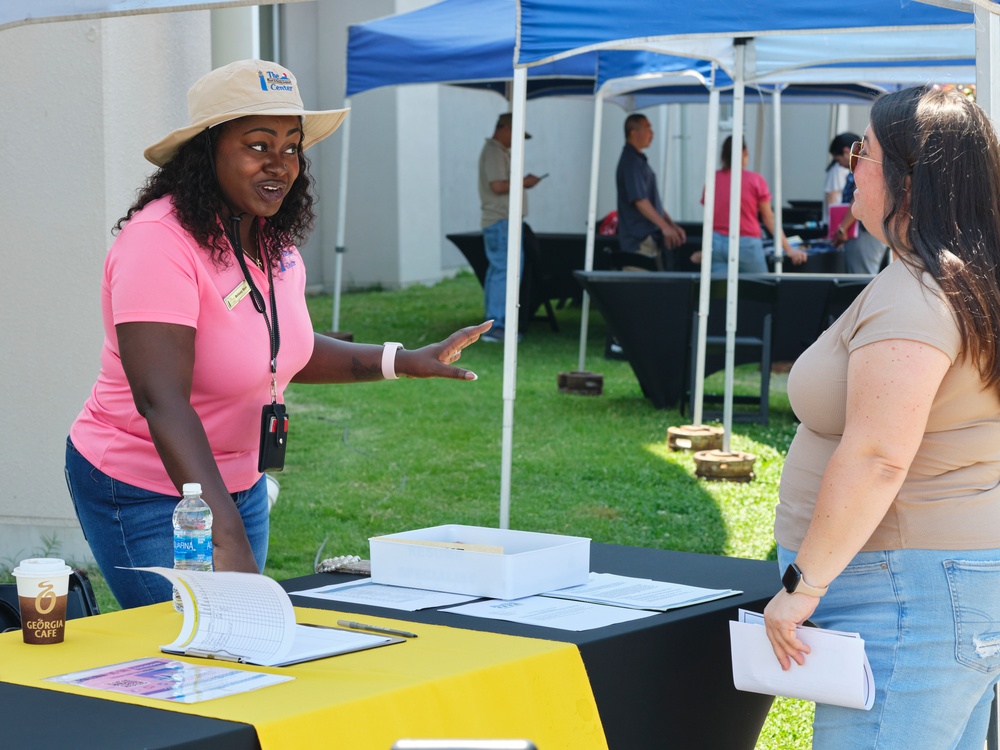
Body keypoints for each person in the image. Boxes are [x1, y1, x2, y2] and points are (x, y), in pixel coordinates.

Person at [64, 60, 490, 609]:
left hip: (236, 481)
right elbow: (161, 398)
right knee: (196, 643)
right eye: (258, 145)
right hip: (144, 487)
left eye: (291, 147)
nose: (280, 164)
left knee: (234, 650)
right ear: (208, 150)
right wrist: (226, 536)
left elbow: (279, 351)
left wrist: (402, 359)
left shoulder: (269, 238)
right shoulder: (157, 243)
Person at [764, 85, 1000, 748]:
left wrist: (800, 588)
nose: (850, 168)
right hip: (933, 585)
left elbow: (877, 457)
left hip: (904, 594)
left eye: (862, 153)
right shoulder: (960, 278)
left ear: (908, 178)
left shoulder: (917, 296)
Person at [478, 112, 542, 343]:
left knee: (500, 271)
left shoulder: (498, 151)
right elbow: (497, 186)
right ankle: (496, 325)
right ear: (504, 128)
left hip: (503, 221)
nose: (517, 140)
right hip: (501, 221)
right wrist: (524, 181)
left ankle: (494, 324)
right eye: (516, 134)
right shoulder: (494, 151)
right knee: (503, 272)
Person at [705, 136, 807, 273]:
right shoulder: (755, 180)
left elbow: (710, 215)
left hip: (716, 242)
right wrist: (788, 249)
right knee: (758, 289)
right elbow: (768, 218)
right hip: (746, 242)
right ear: (745, 152)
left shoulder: (713, 179)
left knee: (720, 291)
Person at [615, 113, 686, 271]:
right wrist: (665, 227)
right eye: (647, 128)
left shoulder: (638, 161)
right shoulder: (630, 162)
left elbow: (652, 203)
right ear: (633, 132)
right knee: (639, 292)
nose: (652, 133)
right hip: (638, 242)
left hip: (648, 241)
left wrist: (671, 225)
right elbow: (640, 201)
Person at [823, 132, 857, 217]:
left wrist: (842, 227)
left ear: (846, 151)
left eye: (838, 160)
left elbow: (857, 201)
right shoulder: (852, 170)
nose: (840, 165)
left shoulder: (860, 170)